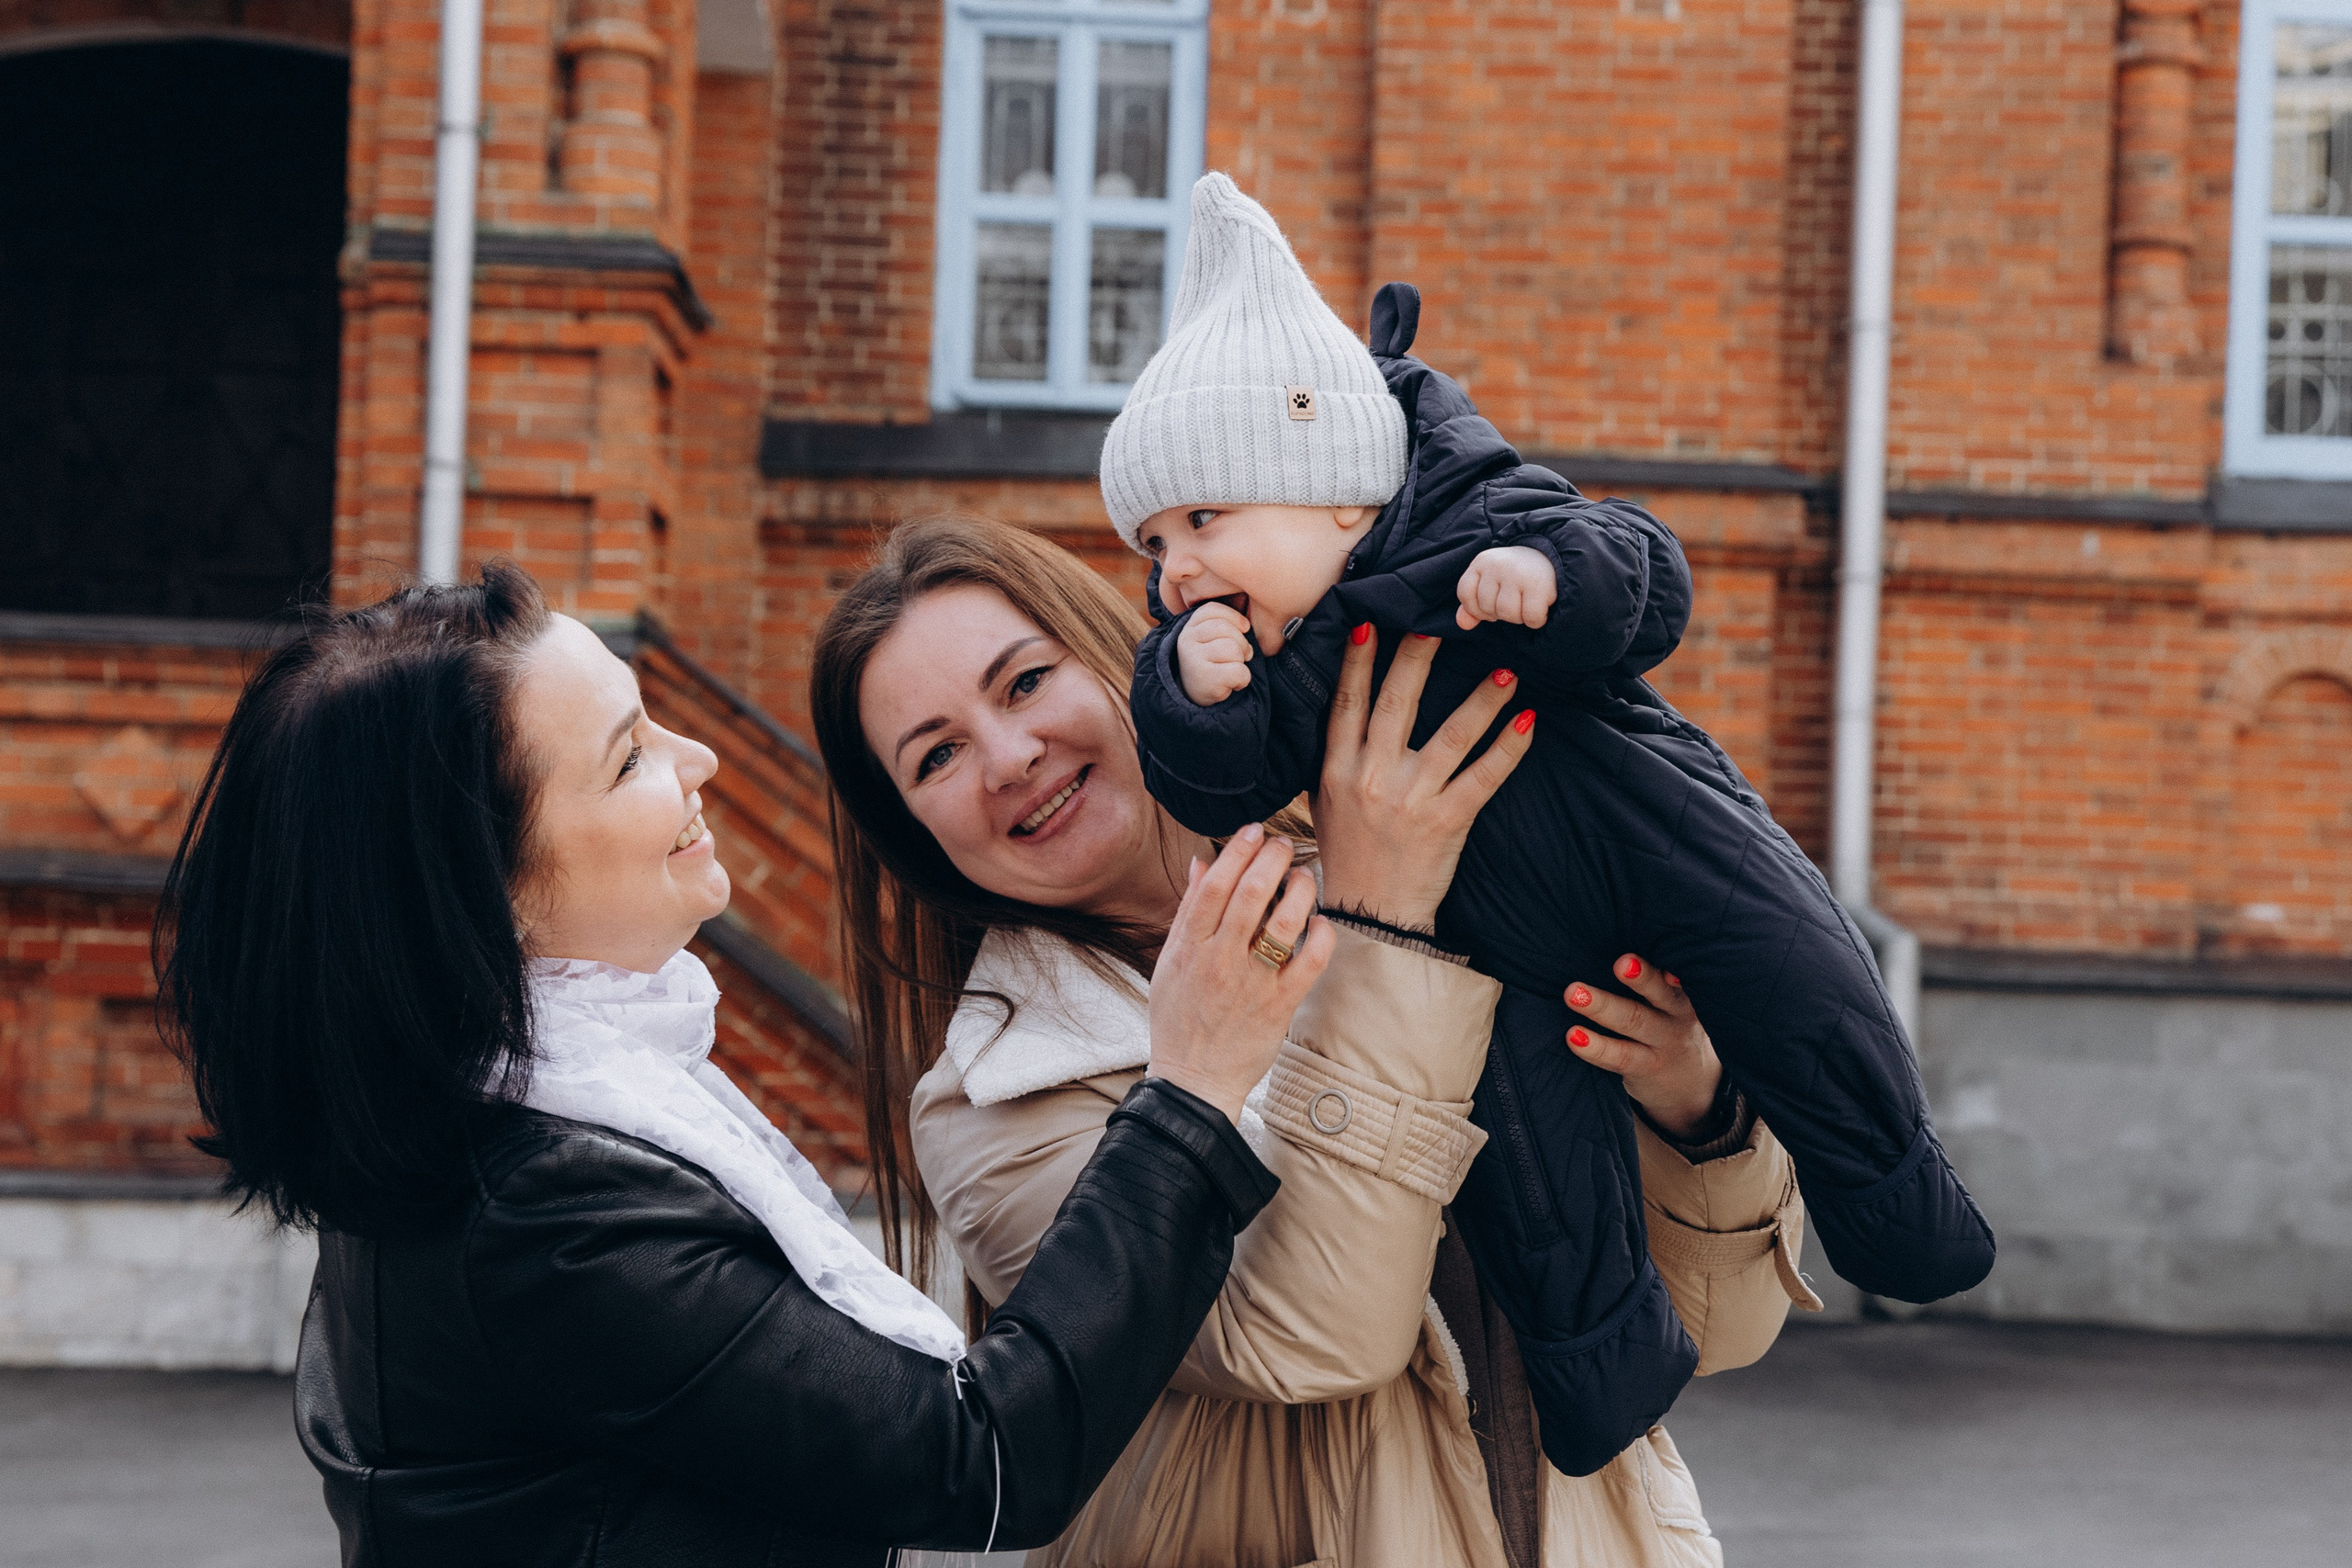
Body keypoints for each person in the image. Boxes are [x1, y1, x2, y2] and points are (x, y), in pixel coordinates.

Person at [156, 562, 1330, 1567]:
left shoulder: (513, 1116)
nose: (701, 758)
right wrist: (1186, 1094)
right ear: (483, 893)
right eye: (627, 761)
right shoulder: (547, 1218)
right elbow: (982, 1459)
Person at [1097, 172, 1996, 1472]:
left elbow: (1646, 578)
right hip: (1482, 951)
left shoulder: (1478, 509)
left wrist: (1553, 579)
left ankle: (1900, 1200)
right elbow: (1218, 781)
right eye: (1154, 540)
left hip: (1641, 819)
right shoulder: (1268, 658)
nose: (1173, 566)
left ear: (1338, 493)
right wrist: (1188, 694)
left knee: (1795, 970)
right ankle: (1600, 1368)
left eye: (1202, 519)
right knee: (1527, 1157)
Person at [813, 516, 1817, 1568]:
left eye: (1023, 684)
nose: (1010, 758)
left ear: (1120, 656)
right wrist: (1382, 923)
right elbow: (1315, 1336)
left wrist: (1691, 1100)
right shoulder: (995, 1098)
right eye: (936, 755)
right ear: (913, 831)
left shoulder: (1397, 830)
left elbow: (1720, 1331)